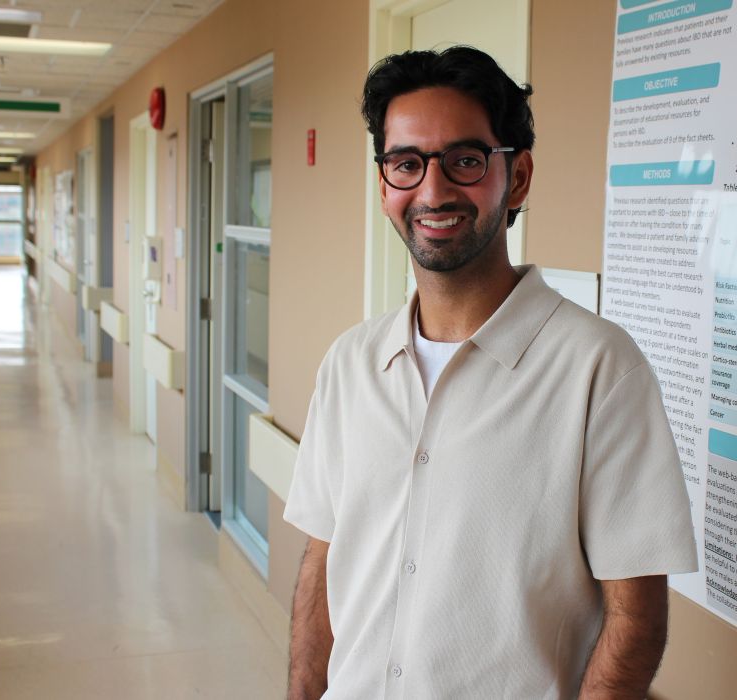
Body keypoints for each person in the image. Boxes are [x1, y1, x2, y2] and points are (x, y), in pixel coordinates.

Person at [284, 46, 697, 699]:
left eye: (466, 161)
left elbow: (635, 616)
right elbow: (321, 563)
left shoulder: (597, 369)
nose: (433, 189)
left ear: (519, 177)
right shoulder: (350, 364)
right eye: (406, 163)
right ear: (385, 183)